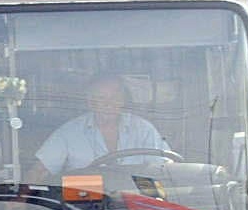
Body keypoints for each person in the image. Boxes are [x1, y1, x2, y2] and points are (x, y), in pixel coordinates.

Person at [28, 75, 171, 184]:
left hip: (137, 205)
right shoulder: (69, 132)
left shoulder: (143, 129)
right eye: (101, 98)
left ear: (123, 100)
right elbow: (40, 170)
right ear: (90, 102)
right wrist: (21, 200)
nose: (108, 104)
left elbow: (164, 169)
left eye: (114, 97)